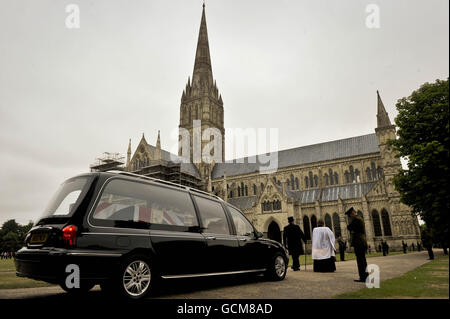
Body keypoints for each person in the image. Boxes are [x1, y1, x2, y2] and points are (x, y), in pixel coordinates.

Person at [346, 207, 368, 282]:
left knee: (360, 260)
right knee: (362, 260)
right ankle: (365, 276)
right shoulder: (359, 218)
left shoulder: (356, 220)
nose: (349, 217)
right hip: (361, 242)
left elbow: (349, 227)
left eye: (349, 216)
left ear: (352, 214)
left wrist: (349, 224)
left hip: (358, 242)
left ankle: (363, 277)